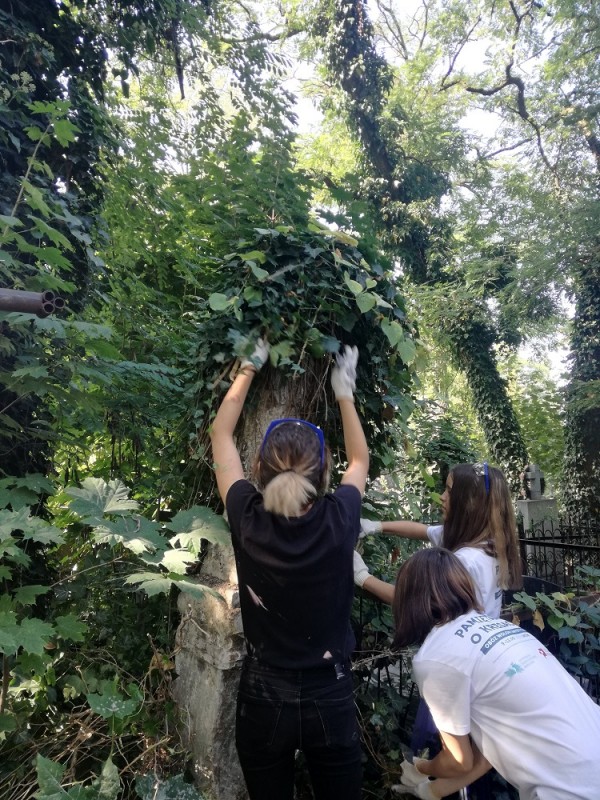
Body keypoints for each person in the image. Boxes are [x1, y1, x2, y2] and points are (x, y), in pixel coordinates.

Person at [209, 339, 369, 800]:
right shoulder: (340, 519)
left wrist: (250, 367)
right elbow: (359, 461)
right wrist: (344, 391)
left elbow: (221, 436)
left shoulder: (246, 515)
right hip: (330, 691)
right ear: (323, 475)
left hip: (264, 692)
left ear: (258, 467)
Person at [390, 547, 600, 800]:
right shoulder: (501, 627)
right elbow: (493, 748)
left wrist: (421, 768)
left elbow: (459, 762)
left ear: (409, 600)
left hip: (569, 788)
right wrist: (435, 790)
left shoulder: (437, 656)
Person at [355, 462, 523, 617]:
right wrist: (376, 526)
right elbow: (422, 531)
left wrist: (363, 577)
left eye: (449, 491)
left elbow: (416, 604)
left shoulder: (466, 560)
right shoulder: (488, 542)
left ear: (469, 503)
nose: (442, 497)